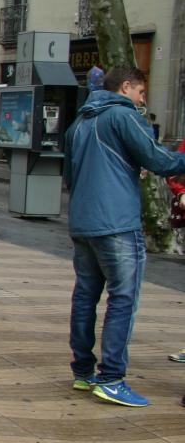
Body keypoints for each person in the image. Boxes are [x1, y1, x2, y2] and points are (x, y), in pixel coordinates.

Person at [63, 66, 185, 407]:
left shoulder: (80, 122)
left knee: (85, 296)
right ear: (126, 87)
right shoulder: (122, 115)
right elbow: (158, 159)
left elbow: (69, 176)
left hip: (84, 222)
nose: (142, 99)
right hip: (117, 221)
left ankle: (83, 372)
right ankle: (112, 377)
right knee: (123, 299)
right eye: (141, 92)